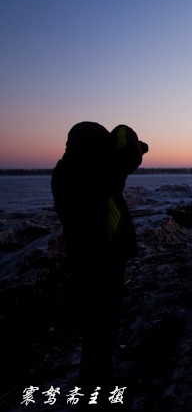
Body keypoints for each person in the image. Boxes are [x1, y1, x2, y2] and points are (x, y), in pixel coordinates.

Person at [51, 122, 148, 389]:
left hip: (91, 257)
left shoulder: (70, 170)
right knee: (100, 328)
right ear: (92, 147)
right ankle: (97, 394)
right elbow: (126, 157)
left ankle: (96, 385)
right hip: (99, 259)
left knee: (99, 327)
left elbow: (122, 159)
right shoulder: (89, 173)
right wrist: (126, 140)